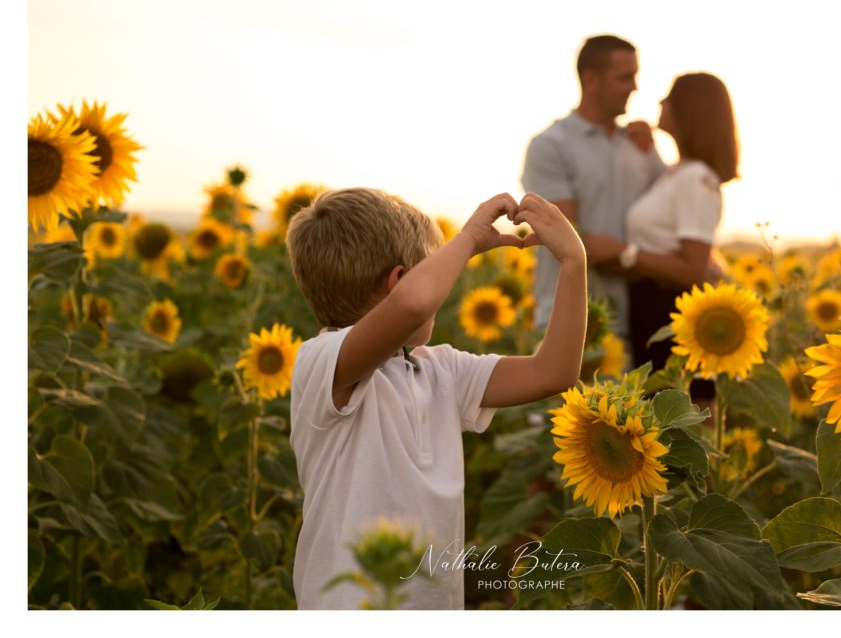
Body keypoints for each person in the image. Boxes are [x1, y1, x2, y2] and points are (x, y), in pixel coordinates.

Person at [285, 188, 586, 609]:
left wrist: (573, 264)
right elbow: (413, 303)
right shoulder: (322, 364)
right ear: (399, 279)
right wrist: (469, 240)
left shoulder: (439, 371)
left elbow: (551, 373)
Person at [581, 72, 739, 372]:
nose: (661, 101)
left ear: (690, 110)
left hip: (672, 316)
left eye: (670, 97)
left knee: (683, 411)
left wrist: (623, 252)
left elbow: (693, 269)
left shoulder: (698, 179)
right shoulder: (678, 172)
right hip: (653, 311)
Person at [522, 34, 667, 344]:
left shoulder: (640, 146)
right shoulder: (550, 146)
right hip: (565, 324)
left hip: (633, 322)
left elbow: (672, 218)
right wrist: (651, 261)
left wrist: (629, 255)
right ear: (591, 79)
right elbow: (567, 238)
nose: (635, 87)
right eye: (625, 77)